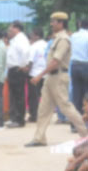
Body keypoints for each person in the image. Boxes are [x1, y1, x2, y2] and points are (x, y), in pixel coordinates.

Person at [27, 12, 88, 147]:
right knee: (44, 109)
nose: (51, 24)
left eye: (54, 21)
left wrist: (39, 75)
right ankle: (39, 138)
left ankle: (85, 134)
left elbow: (55, 61)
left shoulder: (64, 40)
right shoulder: (56, 38)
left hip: (59, 77)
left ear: (61, 23)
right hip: (51, 77)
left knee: (66, 107)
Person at [5, 21, 31, 127]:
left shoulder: (21, 38)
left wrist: (23, 65)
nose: (9, 30)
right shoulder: (15, 39)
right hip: (13, 69)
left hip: (17, 69)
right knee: (13, 95)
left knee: (18, 96)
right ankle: (14, 118)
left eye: (11, 28)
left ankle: (19, 120)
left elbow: (25, 52)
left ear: (17, 28)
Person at [27, 27, 48, 123]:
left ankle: (34, 116)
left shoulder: (34, 46)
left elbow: (30, 61)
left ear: (37, 36)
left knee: (33, 97)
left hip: (34, 74)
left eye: (32, 34)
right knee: (44, 96)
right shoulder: (47, 45)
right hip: (46, 74)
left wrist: (27, 72)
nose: (31, 36)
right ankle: (44, 115)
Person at [69, 20, 88, 121]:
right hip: (86, 65)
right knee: (87, 95)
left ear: (80, 25)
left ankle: (75, 123)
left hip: (74, 65)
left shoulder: (73, 36)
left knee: (76, 95)